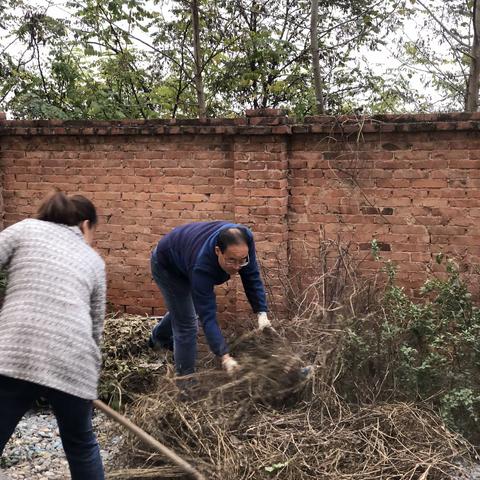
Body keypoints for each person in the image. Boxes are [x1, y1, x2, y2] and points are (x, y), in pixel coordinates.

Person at [0, 192, 106, 480]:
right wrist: (88, 382)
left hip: (18, 350)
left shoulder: (25, 229)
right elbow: (96, 325)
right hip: (75, 358)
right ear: (85, 225)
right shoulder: (93, 261)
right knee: (81, 446)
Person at [149, 221, 272, 377]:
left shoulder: (244, 239)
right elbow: (208, 316)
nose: (237, 267)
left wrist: (262, 313)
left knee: (183, 309)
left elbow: (251, 276)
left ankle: (158, 338)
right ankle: (185, 384)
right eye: (231, 260)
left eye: (242, 260)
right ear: (217, 251)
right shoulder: (202, 268)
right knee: (187, 324)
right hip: (168, 266)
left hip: (186, 255)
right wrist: (224, 356)